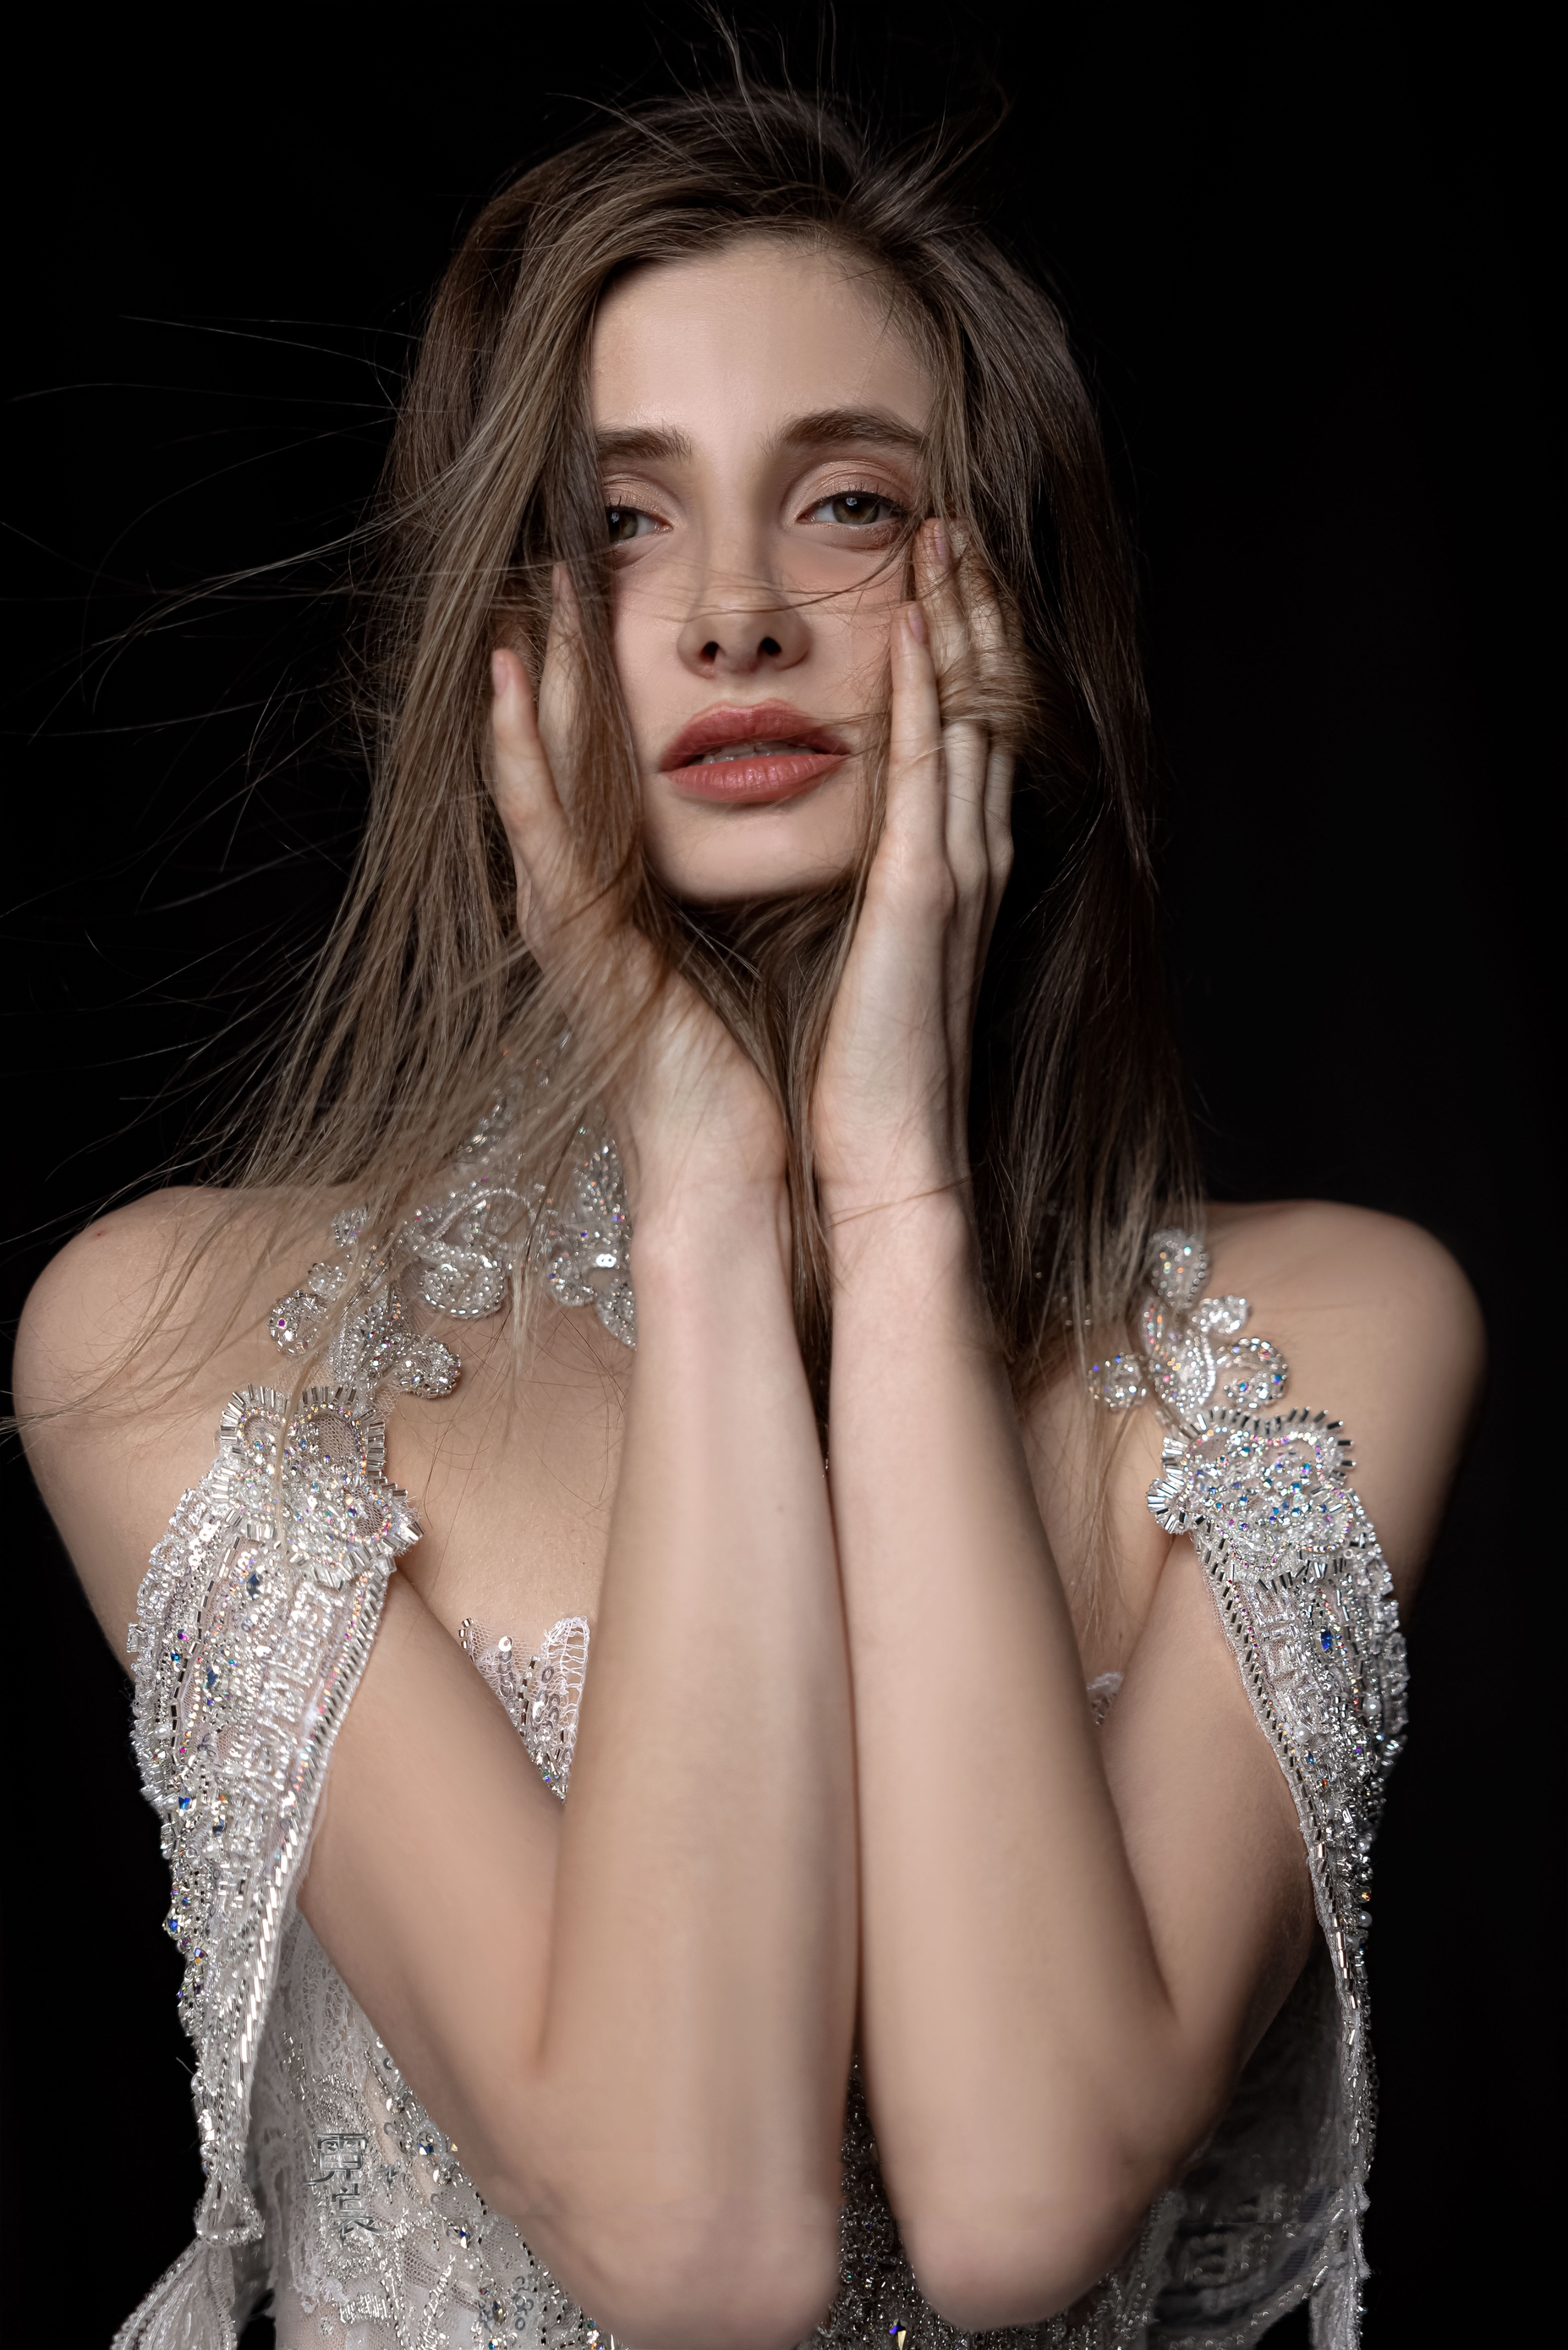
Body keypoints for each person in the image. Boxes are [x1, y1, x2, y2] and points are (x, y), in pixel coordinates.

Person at [14, 85, 1483, 2350]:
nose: (731, 618)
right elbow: (698, 2243)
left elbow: (1018, 2210)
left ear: (1015, 610)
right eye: (619, 523)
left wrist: (896, 1205)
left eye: (848, 505)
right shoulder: (185, 1338)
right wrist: (704, 1189)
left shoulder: (1327, 1339)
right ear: (491, 637)